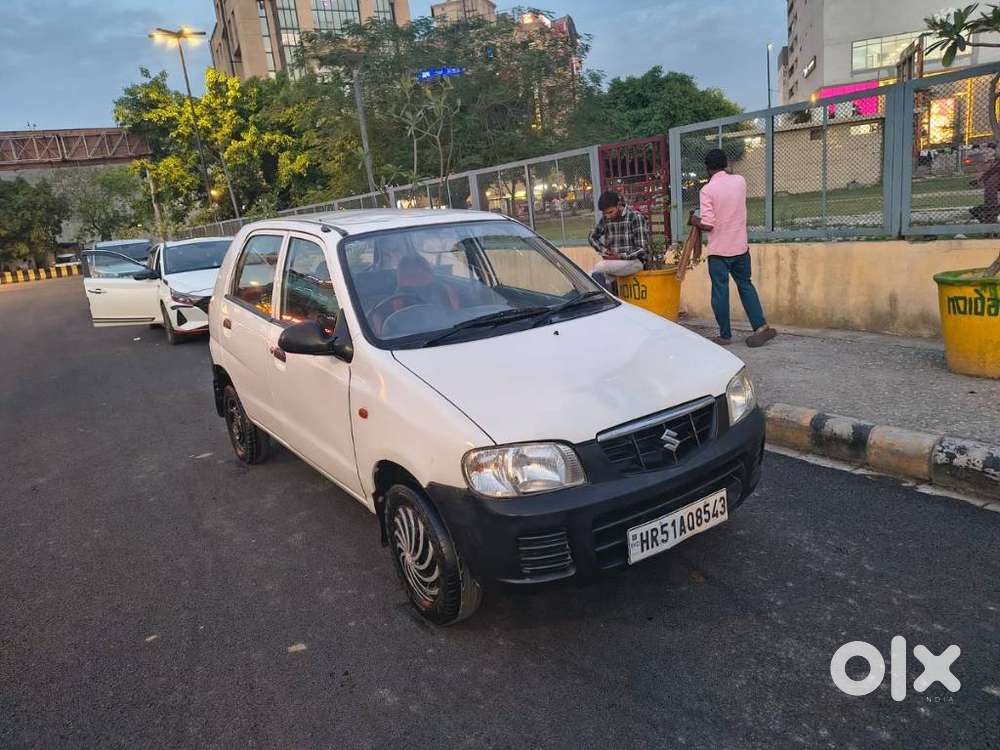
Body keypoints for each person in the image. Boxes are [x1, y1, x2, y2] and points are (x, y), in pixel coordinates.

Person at [689, 149, 776, 348]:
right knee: (746, 285)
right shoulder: (740, 181)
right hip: (740, 247)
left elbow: (709, 224)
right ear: (726, 163)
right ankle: (761, 327)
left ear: (708, 169)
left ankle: (725, 335)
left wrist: (695, 220)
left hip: (719, 252)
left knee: (720, 292)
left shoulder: (707, 190)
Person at [588, 191, 649, 291]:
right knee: (587, 278)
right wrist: (604, 251)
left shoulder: (635, 217)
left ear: (619, 205)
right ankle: (606, 303)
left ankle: (604, 301)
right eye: (604, 213)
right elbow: (592, 237)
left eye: (610, 212)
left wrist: (620, 256)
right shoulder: (606, 219)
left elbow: (642, 249)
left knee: (599, 268)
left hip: (635, 262)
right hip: (614, 264)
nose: (607, 216)